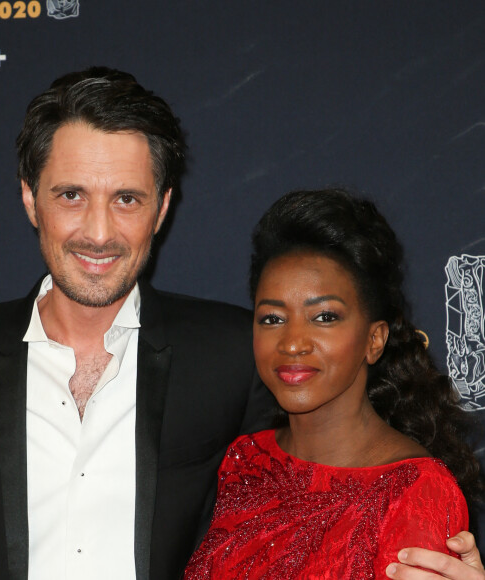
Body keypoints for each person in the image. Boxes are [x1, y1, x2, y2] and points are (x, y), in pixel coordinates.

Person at [0, 70, 482, 580]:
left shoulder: (232, 355)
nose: (99, 232)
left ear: (161, 208)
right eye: (72, 195)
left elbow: (338, 490)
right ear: (31, 199)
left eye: (127, 198)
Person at [184, 188, 484, 579]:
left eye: (324, 317)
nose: (292, 343)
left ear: (374, 340)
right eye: (272, 318)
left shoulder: (413, 493)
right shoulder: (245, 460)